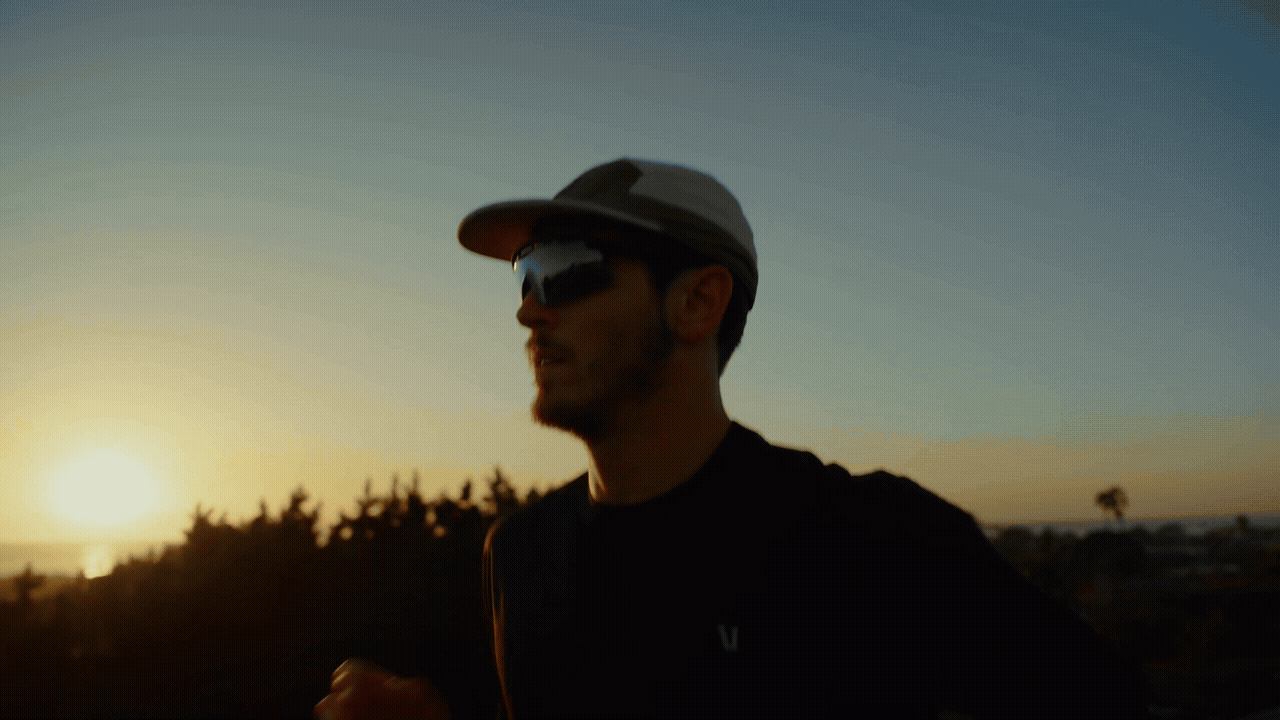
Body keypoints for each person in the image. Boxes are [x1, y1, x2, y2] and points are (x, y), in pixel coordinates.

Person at [317, 158, 1152, 719]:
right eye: (524, 275)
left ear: (697, 303)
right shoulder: (520, 554)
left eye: (565, 268)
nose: (529, 312)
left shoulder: (871, 539)